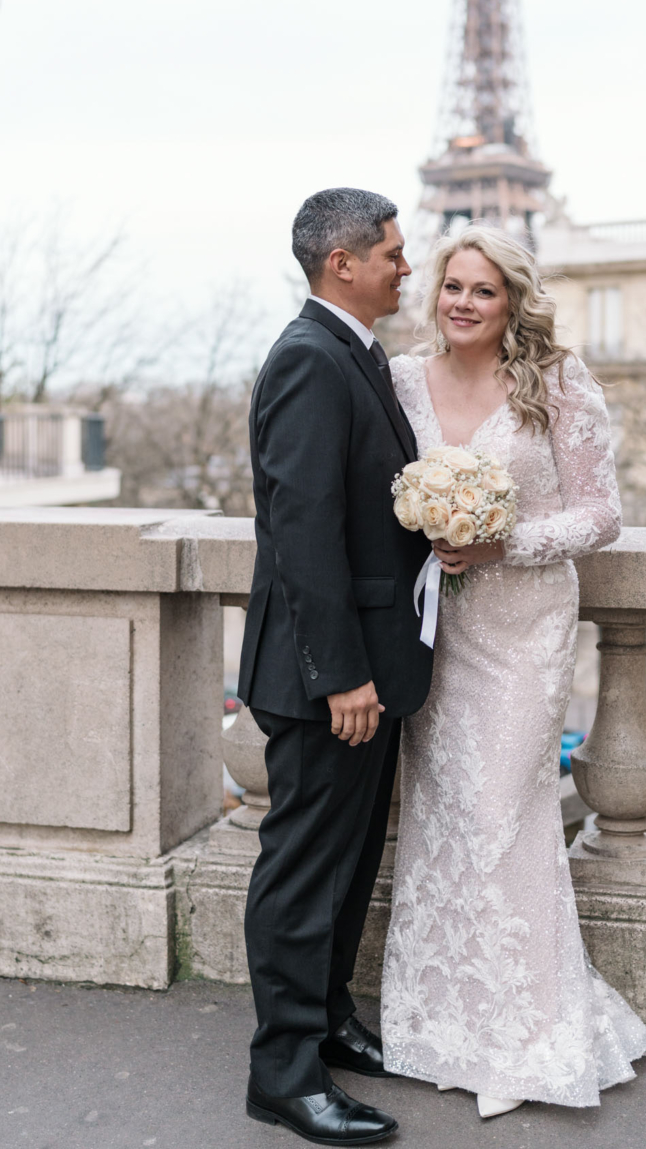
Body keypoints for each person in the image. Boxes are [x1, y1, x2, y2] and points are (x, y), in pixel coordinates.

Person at [380, 223, 646, 1120]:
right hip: (434, 632)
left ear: (513, 303)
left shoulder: (559, 386)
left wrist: (508, 544)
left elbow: (600, 515)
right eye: (452, 286)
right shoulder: (398, 380)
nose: (462, 302)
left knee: (506, 814)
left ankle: (523, 1037)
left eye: (483, 291)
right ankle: (436, 1026)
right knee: (445, 815)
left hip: (524, 629)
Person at [240, 188, 432, 1146]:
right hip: (332, 678)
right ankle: (283, 1074)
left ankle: (328, 1025)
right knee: (303, 874)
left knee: (350, 867)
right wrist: (342, 675)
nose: (407, 265)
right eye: (391, 252)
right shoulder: (311, 361)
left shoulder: (357, 354)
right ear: (342, 263)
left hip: (372, 664)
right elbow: (303, 533)